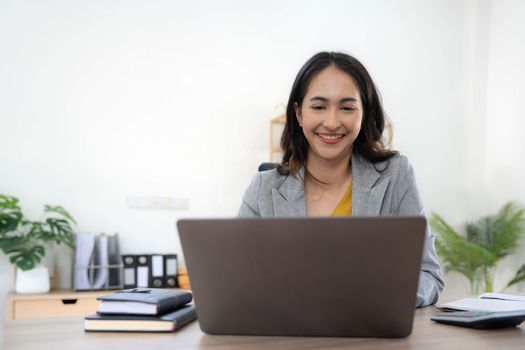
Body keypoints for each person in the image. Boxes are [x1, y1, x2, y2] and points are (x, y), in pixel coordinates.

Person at [238, 51, 444, 307]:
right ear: (299, 113)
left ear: (364, 114)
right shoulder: (262, 189)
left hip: (370, 333)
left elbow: (428, 275)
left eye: (346, 107)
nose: (332, 122)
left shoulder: (396, 175)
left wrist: (378, 300)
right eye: (319, 107)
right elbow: (238, 280)